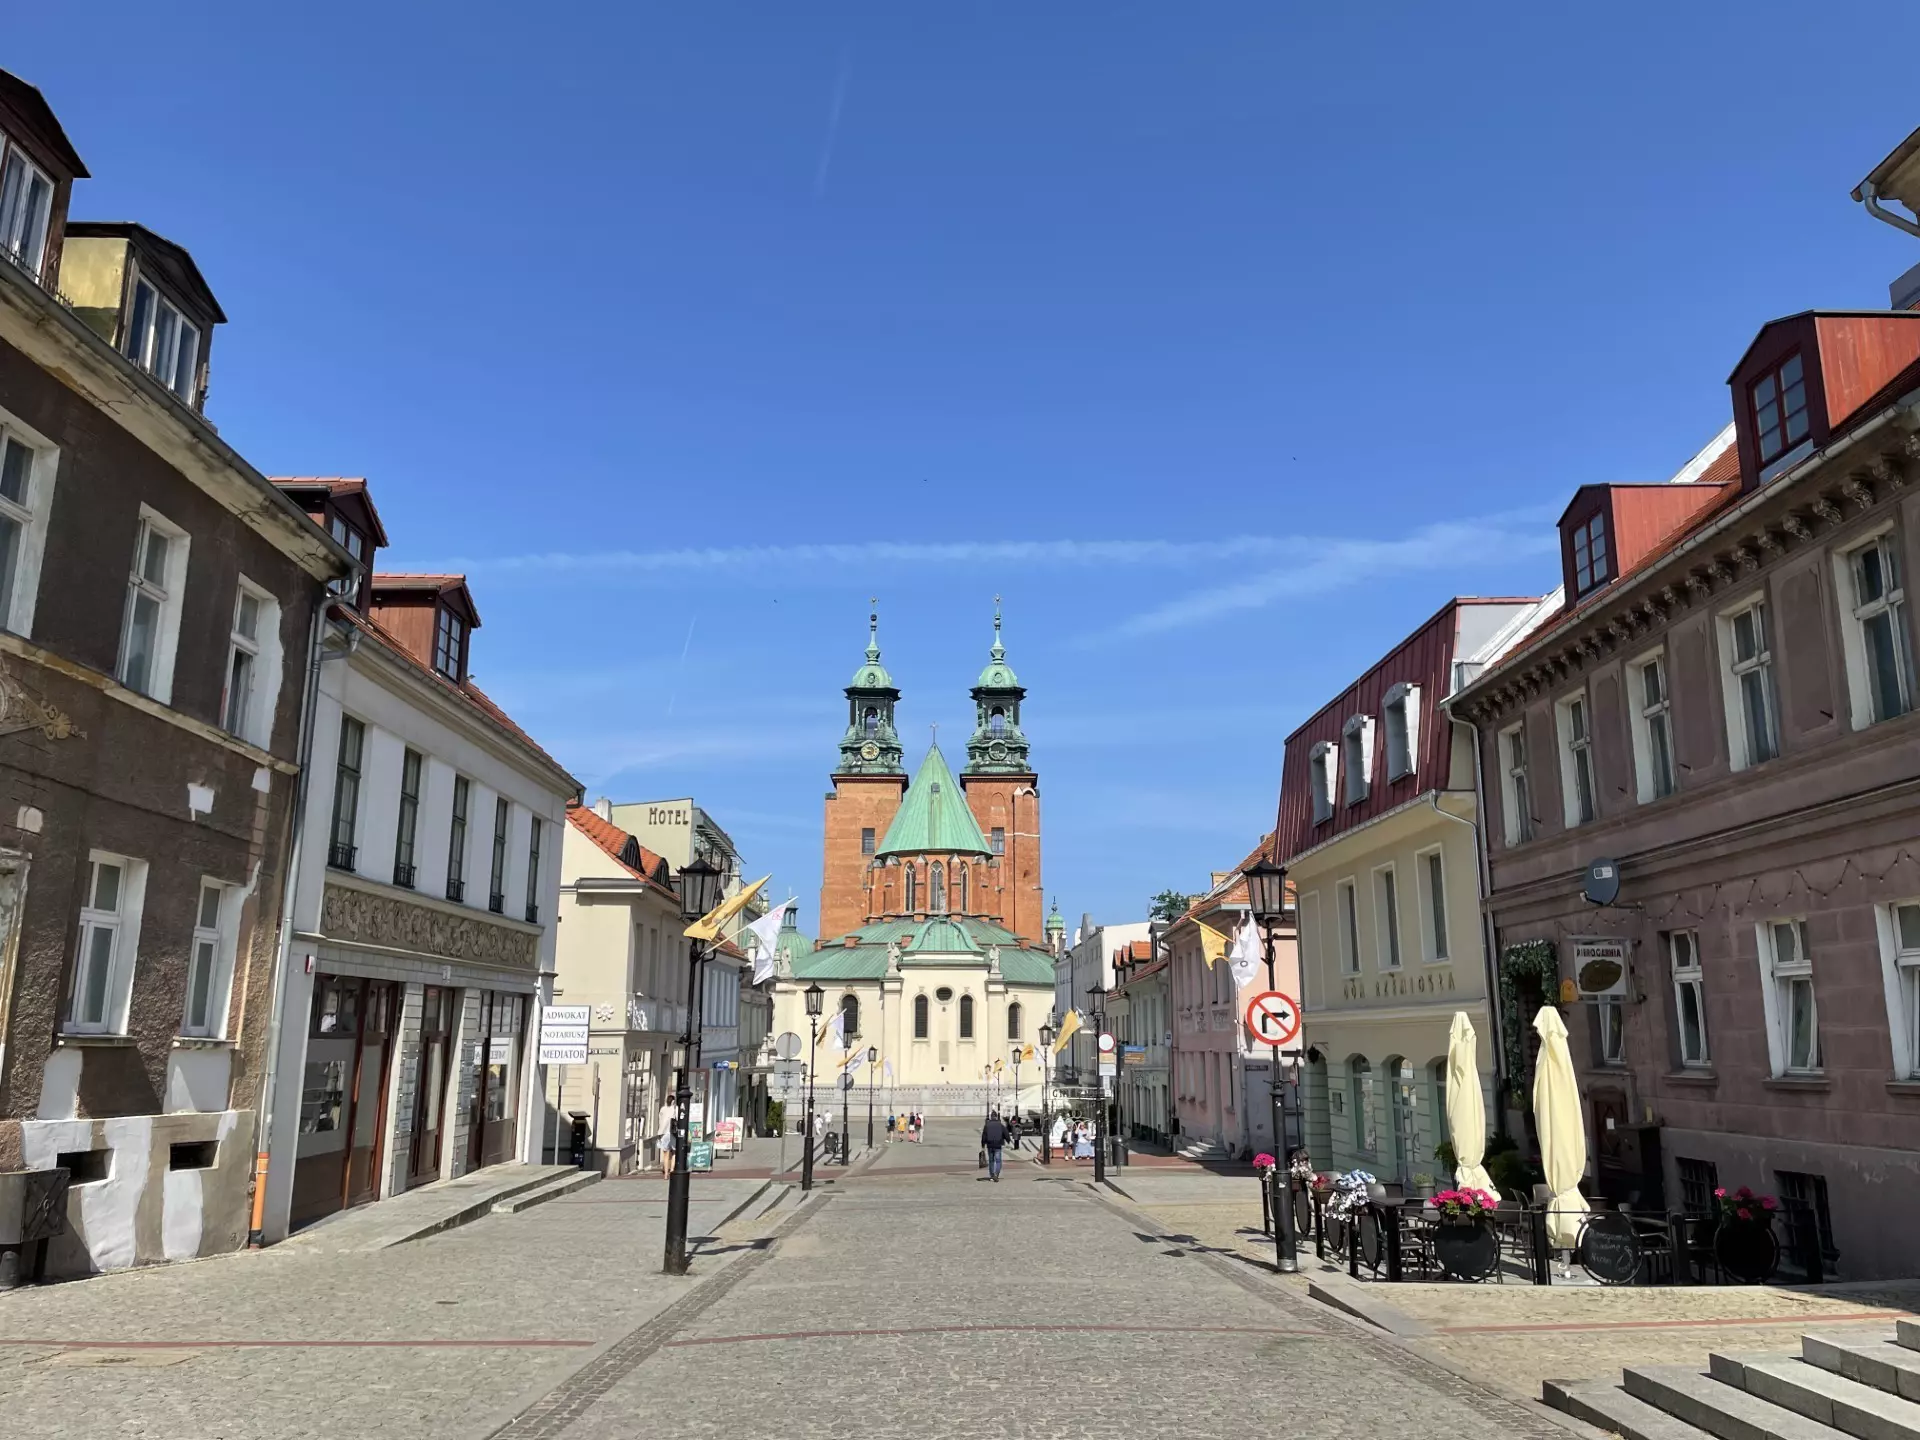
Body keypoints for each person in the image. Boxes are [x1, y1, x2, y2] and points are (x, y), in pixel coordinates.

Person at [981, 1109, 1009, 1183]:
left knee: (991, 1161)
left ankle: (991, 1175)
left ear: (991, 1117)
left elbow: (984, 1136)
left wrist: (983, 1145)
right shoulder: (1000, 1125)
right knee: (998, 1160)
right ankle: (996, 1174)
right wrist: (1008, 1140)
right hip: (998, 1144)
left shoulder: (987, 1125)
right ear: (996, 1117)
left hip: (990, 1145)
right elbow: (1006, 1133)